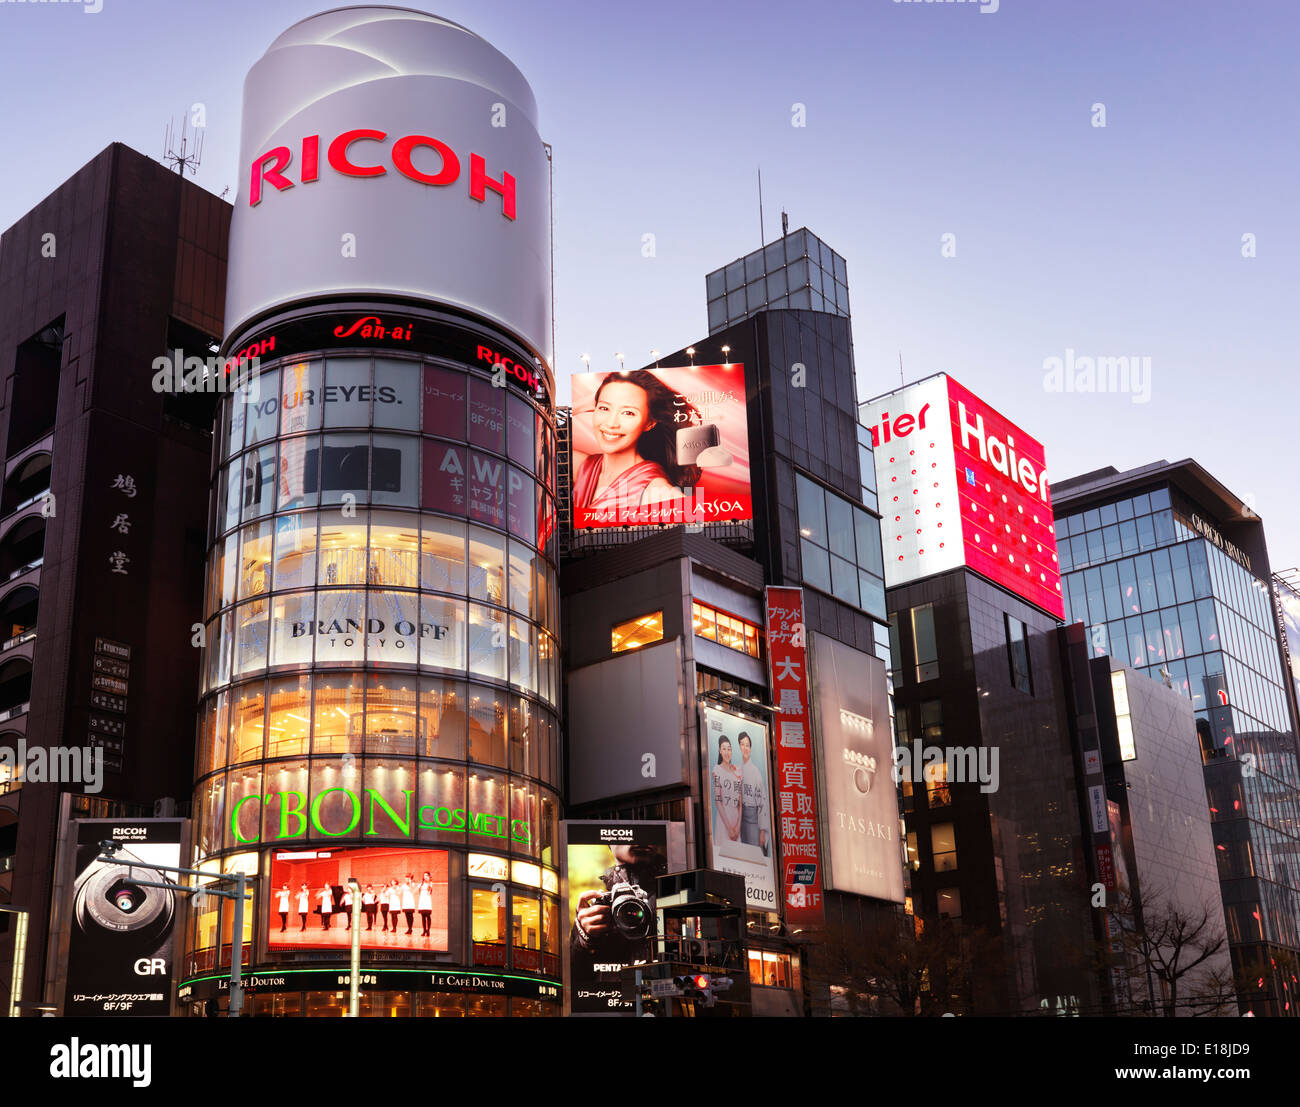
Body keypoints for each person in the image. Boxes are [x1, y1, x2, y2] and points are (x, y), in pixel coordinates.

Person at [572, 371, 701, 522]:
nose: (611, 424)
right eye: (604, 409)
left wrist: (604, 402)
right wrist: (585, 404)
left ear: (649, 423)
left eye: (628, 413)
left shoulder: (657, 491)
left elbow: (691, 532)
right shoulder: (583, 467)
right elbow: (540, 443)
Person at [570, 842, 667, 977]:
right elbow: (573, 981)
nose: (637, 835)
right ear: (609, 840)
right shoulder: (599, 907)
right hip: (610, 995)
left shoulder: (675, 894)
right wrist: (584, 940)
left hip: (663, 992)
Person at [738, 732, 769, 854]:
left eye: (747, 745)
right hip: (740, 817)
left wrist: (762, 831)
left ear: (750, 748)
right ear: (739, 746)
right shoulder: (737, 768)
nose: (745, 748)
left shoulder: (756, 772)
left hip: (753, 819)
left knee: (754, 854)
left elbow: (762, 803)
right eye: (742, 744)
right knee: (743, 854)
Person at [711, 736, 743, 845]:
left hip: (736, 820)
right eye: (724, 749)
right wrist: (729, 828)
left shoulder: (737, 771)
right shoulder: (717, 770)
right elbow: (718, 801)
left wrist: (738, 826)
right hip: (724, 821)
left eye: (729, 749)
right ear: (719, 751)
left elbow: (740, 803)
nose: (727, 752)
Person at [418, 871, 435, 937]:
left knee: (428, 916)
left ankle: (428, 931)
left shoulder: (430, 883)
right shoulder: (421, 884)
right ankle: (424, 930)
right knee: (423, 917)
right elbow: (417, 890)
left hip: (427, 901)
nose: (425, 876)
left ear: (428, 876)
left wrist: (428, 882)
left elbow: (429, 892)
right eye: (424, 875)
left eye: (426, 875)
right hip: (422, 901)